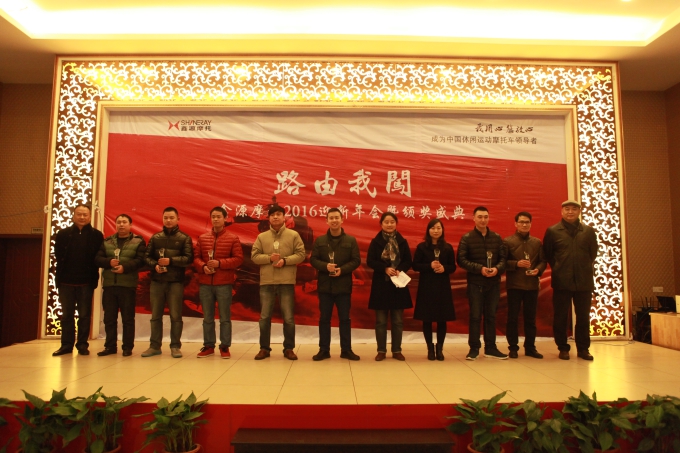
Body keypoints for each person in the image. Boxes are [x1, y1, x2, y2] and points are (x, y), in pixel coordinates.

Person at [543, 200, 599, 361]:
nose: (570, 212)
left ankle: (583, 349)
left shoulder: (588, 231)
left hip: (584, 281)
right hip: (562, 281)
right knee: (560, 316)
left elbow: (593, 254)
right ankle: (563, 348)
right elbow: (548, 254)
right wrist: (559, 267)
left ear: (579, 211)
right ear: (562, 211)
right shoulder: (553, 231)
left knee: (583, 317)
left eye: (574, 209)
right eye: (567, 209)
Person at [251, 205, 306, 360]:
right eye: (272, 215)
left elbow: (301, 254)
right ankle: (264, 348)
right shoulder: (262, 237)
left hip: (286, 281)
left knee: (288, 318)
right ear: (268, 218)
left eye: (278, 214)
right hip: (267, 282)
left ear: (284, 217)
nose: (275, 217)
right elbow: (254, 256)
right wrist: (269, 258)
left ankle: (289, 348)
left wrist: (285, 261)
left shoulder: (293, 235)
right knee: (264, 318)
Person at [309, 207, 362, 361]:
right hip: (325, 286)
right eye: (331, 218)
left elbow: (356, 260)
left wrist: (342, 270)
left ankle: (346, 350)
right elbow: (313, 260)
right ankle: (324, 350)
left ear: (342, 219)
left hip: (343, 286)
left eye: (336, 217)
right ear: (326, 221)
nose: (334, 220)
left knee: (345, 319)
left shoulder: (350, 240)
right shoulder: (320, 241)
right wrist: (325, 266)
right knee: (324, 319)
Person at [457, 206, 508, 361]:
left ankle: (491, 348)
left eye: (485, 217)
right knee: (475, 316)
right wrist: (480, 269)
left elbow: (503, 259)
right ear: (473, 218)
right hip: (475, 283)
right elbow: (461, 260)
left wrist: (497, 269)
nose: (483, 220)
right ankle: (474, 348)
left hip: (493, 283)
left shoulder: (496, 238)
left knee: (491, 316)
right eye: (479, 217)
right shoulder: (467, 238)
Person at [53, 204, 104, 356]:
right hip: (65, 281)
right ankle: (66, 345)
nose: (82, 217)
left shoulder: (97, 235)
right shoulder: (63, 234)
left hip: (86, 282)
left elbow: (98, 257)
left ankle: (82, 344)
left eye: (85, 214)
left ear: (90, 217)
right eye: (79, 214)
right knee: (67, 315)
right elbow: (58, 256)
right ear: (73, 216)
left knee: (84, 315)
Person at [142, 207, 193, 358]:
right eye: (166, 218)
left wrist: (170, 261)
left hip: (175, 282)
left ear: (178, 219)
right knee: (155, 316)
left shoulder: (184, 238)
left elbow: (188, 259)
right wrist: (155, 266)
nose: (168, 220)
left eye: (171, 218)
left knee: (176, 316)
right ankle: (154, 346)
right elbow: (146, 257)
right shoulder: (155, 237)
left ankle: (175, 346)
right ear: (162, 219)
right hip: (157, 281)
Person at [194, 207, 243, 359]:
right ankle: (209, 345)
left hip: (224, 284)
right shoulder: (203, 238)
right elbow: (196, 258)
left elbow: (238, 259)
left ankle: (225, 346)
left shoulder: (233, 238)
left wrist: (219, 263)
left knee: (225, 318)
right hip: (205, 284)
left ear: (225, 219)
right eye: (213, 217)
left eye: (219, 217)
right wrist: (203, 267)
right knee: (207, 317)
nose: (215, 219)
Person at [94, 214, 146, 357]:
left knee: (128, 319)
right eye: (118, 222)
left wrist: (125, 267)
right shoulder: (107, 241)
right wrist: (108, 262)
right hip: (109, 285)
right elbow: (97, 259)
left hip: (128, 285)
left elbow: (141, 260)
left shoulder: (138, 241)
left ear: (130, 225)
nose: (121, 225)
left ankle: (127, 347)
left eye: (124, 222)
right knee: (109, 319)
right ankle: (110, 346)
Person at [367, 212, 413, 361]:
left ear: (396, 223)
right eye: (386, 222)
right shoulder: (376, 242)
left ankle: (397, 350)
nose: (389, 224)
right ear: (381, 224)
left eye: (392, 221)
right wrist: (385, 269)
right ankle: (381, 350)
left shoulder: (402, 241)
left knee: (397, 320)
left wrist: (400, 269)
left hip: (398, 285)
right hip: (381, 284)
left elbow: (408, 261)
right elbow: (370, 261)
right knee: (380, 321)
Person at [503, 211, 547, 359]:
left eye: (527, 222)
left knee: (530, 319)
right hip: (514, 285)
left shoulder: (536, 242)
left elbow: (543, 261)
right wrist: (516, 264)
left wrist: (538, 270)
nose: (524, 224)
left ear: (530, 224)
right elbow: (502, 263)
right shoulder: (508, 242)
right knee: (513, 318)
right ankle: (513, 347)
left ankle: (530, 347)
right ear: (515, 224)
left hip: (532, 285)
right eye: (521, 222)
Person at [413, 218, 456, 361]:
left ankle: (440, 348)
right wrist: (429, 266)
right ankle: (430, 348)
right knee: (427, 319)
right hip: (426, 286)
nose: (436, 231)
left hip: (442, 287)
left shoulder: (448, 247)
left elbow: (453, 267)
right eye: (433, 228)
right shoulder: (422, 247)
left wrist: (444, 268)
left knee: (442, 319)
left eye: (438, 228)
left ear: (442, 230)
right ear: (428, 230)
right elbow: (415, 265)